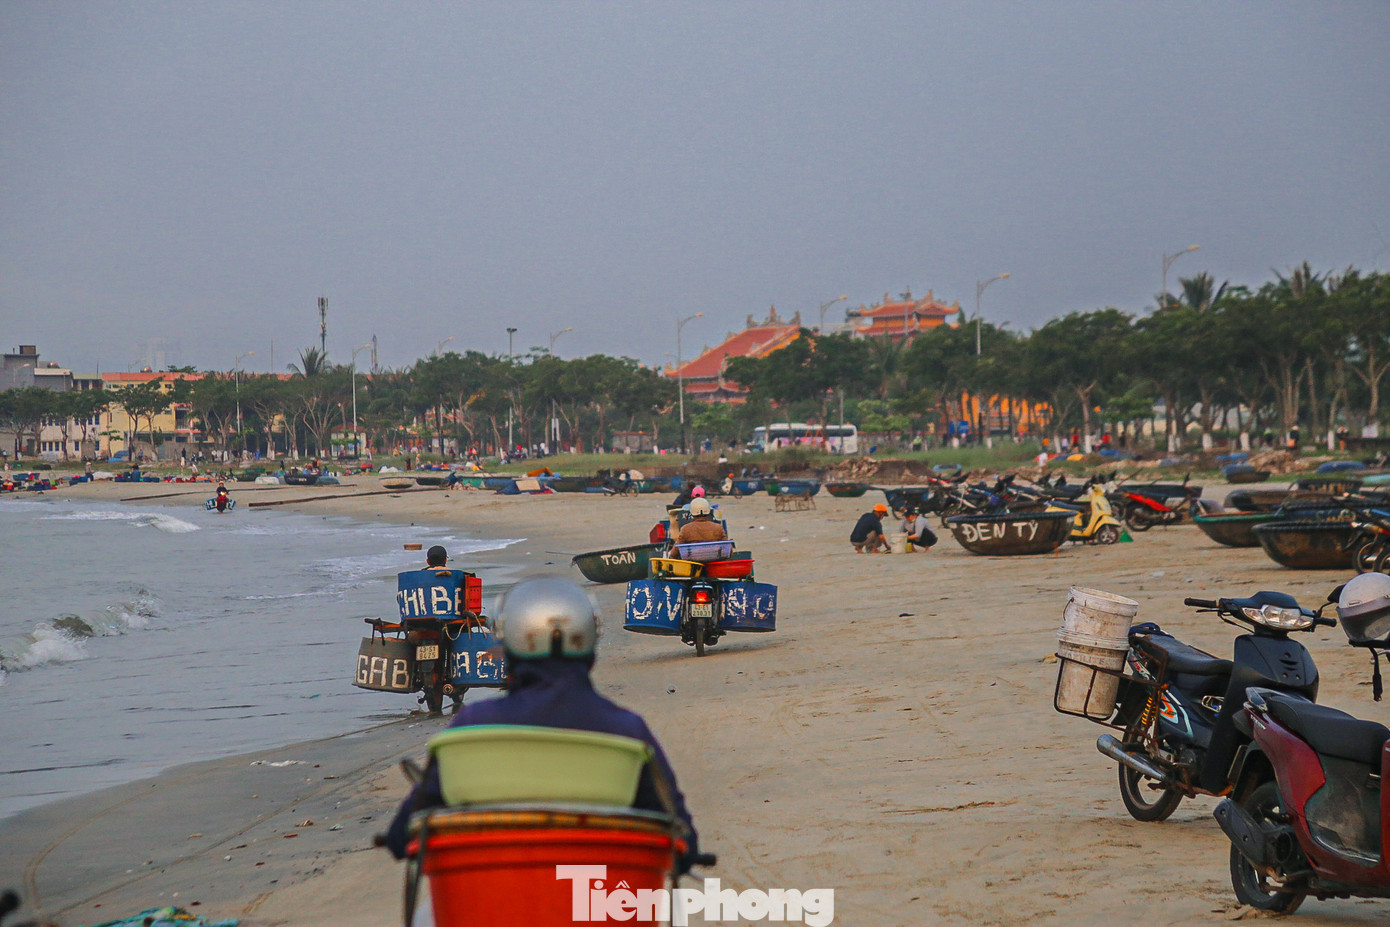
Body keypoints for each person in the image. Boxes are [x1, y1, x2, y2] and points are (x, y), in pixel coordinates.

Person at [382, 577, 700, 867]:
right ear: (589, 641)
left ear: (509, 646)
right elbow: (681, 834)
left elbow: (402, 834)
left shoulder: (472, 726)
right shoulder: (627, 730)